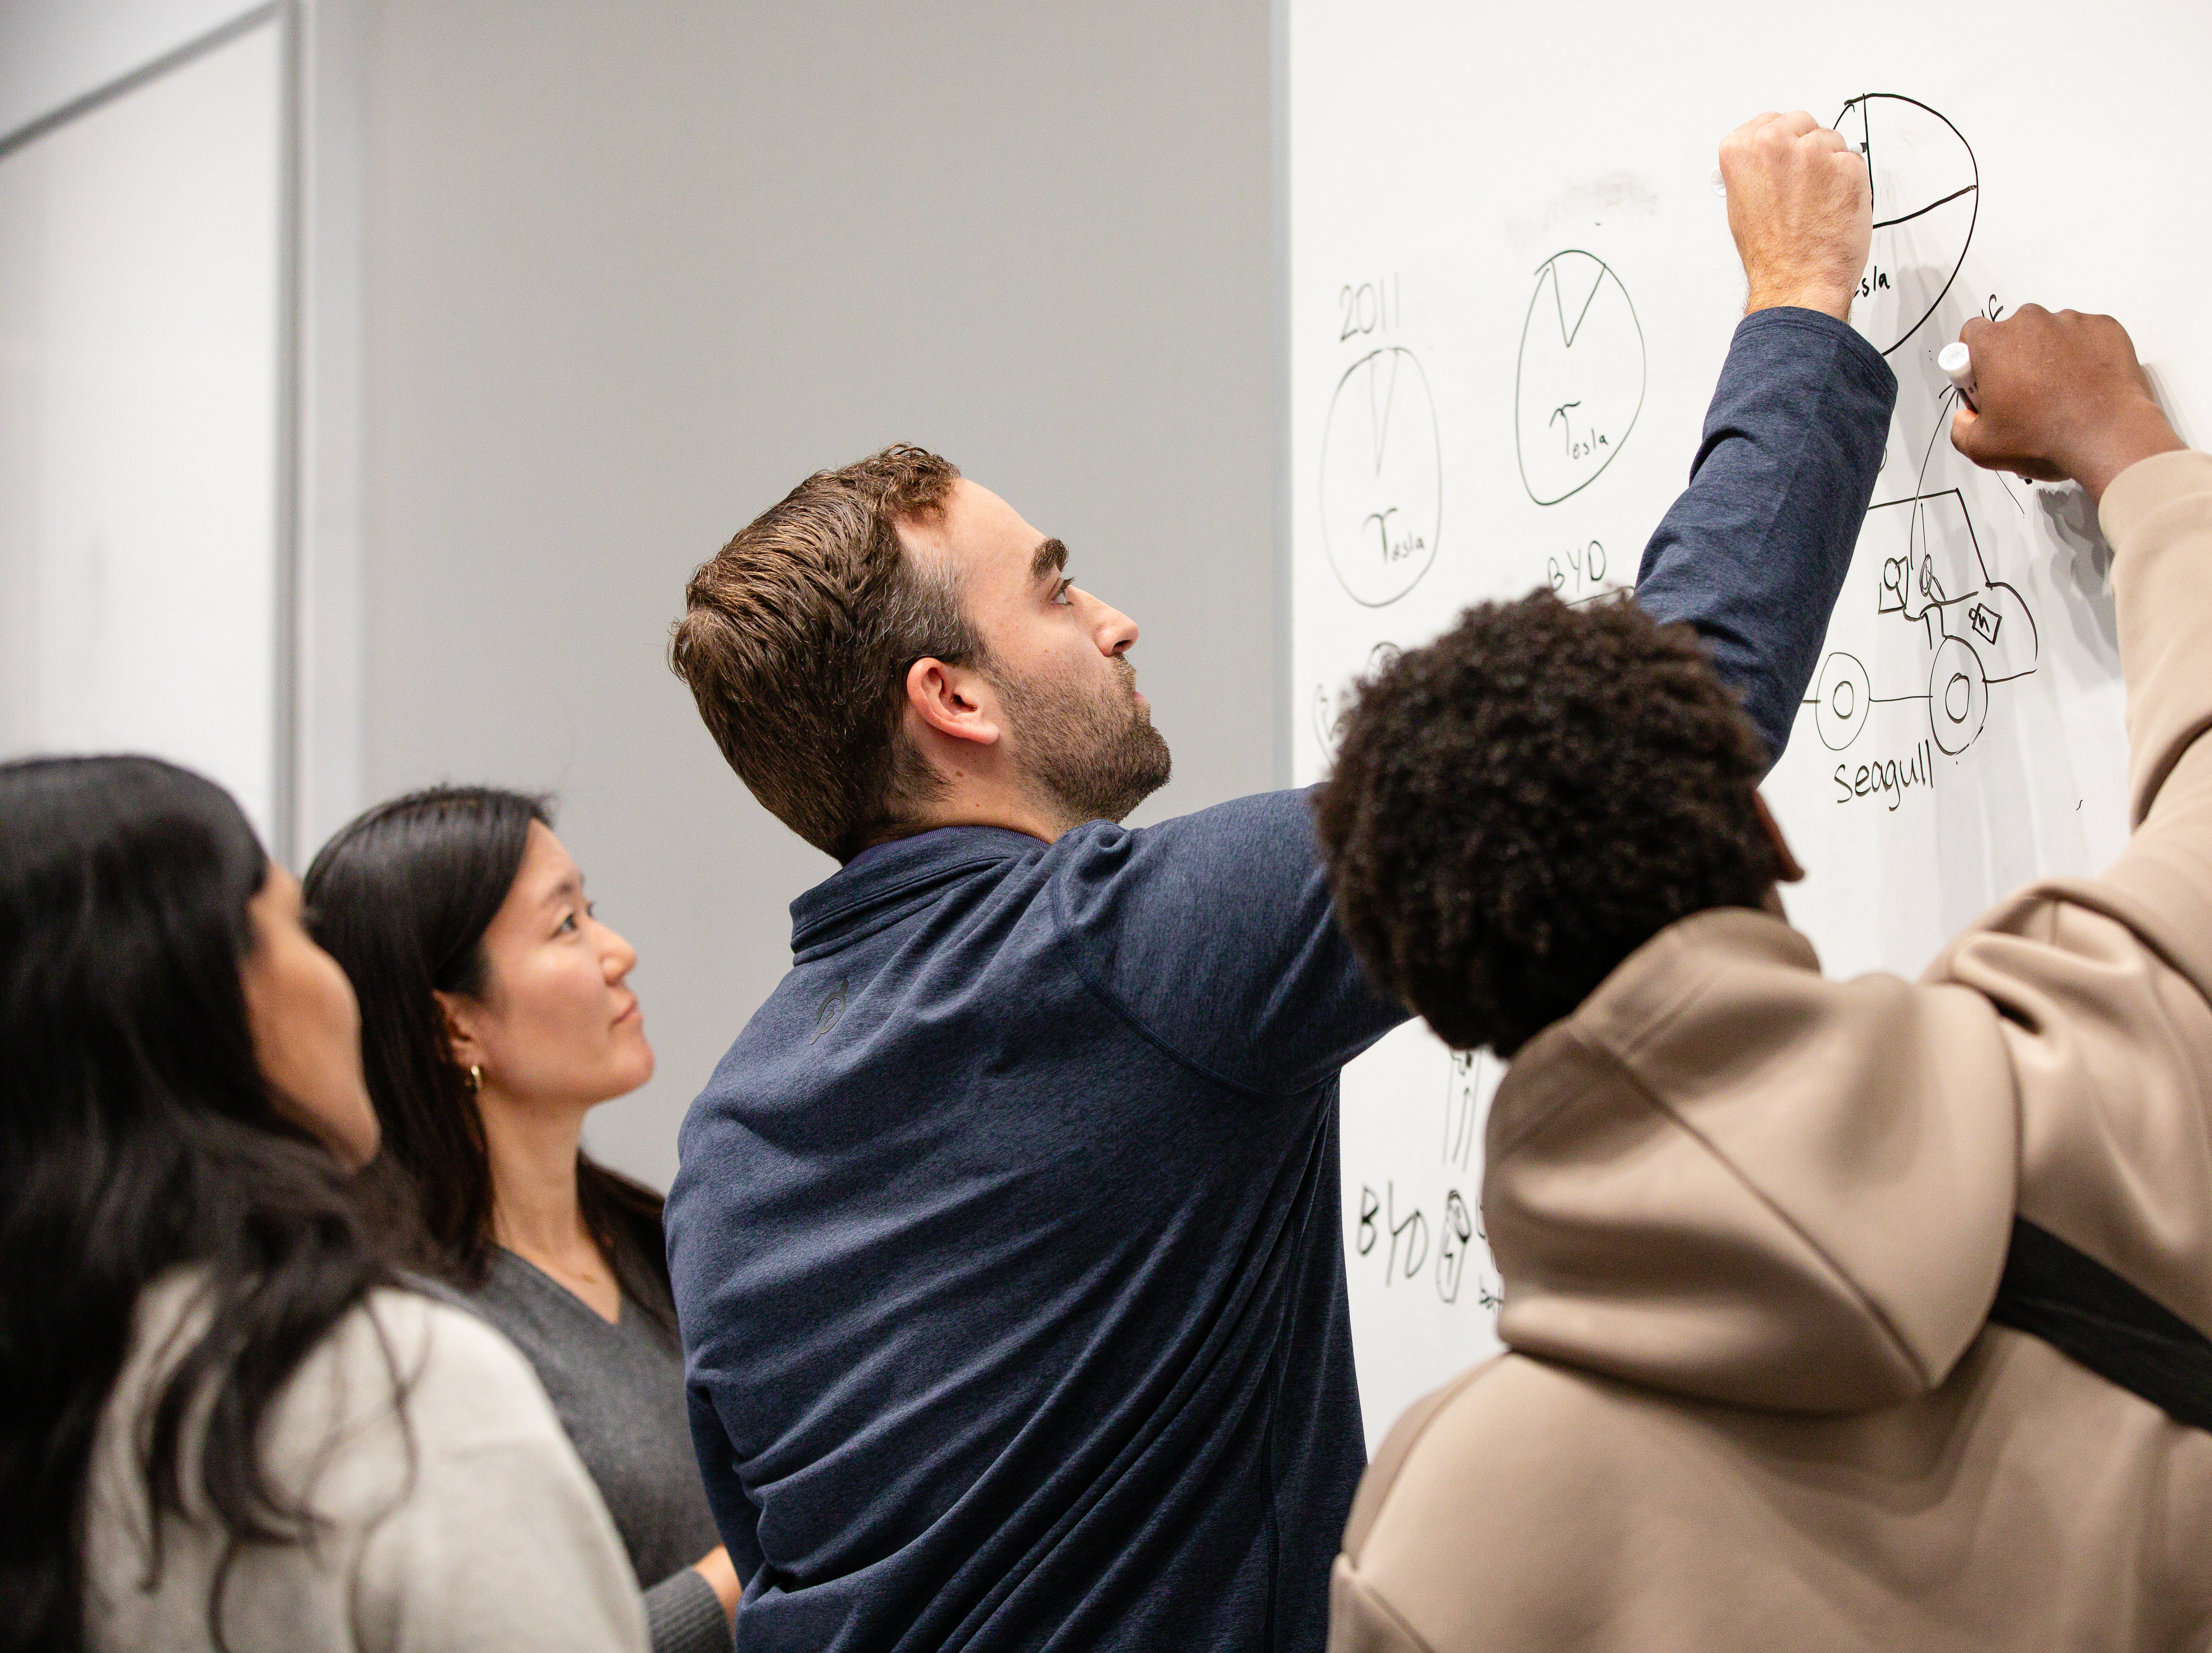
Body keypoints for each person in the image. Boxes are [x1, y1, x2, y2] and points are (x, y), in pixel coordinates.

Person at [660, 110, 1891, 1652]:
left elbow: (777, 1567)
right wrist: (1797, 300)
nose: (1112, 618)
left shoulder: (722, 1148)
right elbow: (1663, 723)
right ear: (953, 702)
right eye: (1052, 588)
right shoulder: (1126, 951)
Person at [1312, 304, 2212, 1652]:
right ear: (1767, 829)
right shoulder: (2123, 1064)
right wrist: (2125, 444)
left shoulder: (1445, 1545)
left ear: (1444, 1002)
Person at [0, 755, 648, 1653]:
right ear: (215, 1010)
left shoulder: (68, 1385)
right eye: (297, 928)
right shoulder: (385, 1383)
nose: (341, 982)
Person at [304, 787, 739, 1653]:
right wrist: (743, 1570)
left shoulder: (663, 1239)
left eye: (593, 911)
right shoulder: (413, 1330)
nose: (619, 951)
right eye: (565, 926)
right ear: (455, 1023)